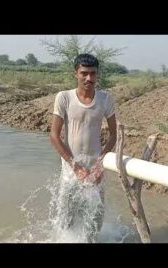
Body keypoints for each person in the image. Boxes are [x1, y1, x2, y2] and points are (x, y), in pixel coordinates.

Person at [50, 53, 117, 242]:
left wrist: (99, 165)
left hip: (96, 170)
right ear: (76, 73)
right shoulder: (64, 98)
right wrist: (76, 167)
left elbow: (113, 135)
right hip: (71, 170)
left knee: (94, 221)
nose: (89, 78)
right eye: (84, 73)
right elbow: (54, 136)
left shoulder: (105, 99)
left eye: (93, 74)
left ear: (97, 75)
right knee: (66, 219)